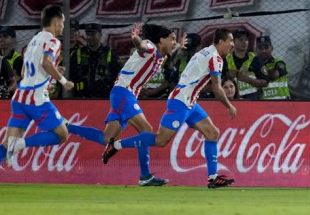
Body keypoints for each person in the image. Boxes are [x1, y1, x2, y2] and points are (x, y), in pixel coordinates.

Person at [103, 28, 237, 189]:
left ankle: (213, 179)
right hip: (180, 101)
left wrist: (177, 47)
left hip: (190, 101)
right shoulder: (215, 58)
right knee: (161, 140)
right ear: (221, 42)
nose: (233, 44)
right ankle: (116, 145)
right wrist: (229, 106)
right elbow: (217, 88)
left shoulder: (204, 52)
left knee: (212, 133)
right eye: (231, 41)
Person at [0, 4, 75, 199]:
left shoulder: (34, 40)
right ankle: (20, 145)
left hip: (19, 97)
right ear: (55, 22)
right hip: (35, 99)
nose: (63, 27)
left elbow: (24, 72)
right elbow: (45, 63)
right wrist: (63, 81)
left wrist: (50, 75)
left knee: (6, 143)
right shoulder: (53, 41)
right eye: (62, 23)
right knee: (62, 135)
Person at [68, 23, 177, 186]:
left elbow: (164, 51)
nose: (174, 42)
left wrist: (179, 46)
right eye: (172, 39)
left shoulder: (160, 54)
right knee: (146, 130)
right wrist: (135, 39)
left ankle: (66, 126)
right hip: (124, 93)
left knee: (106, 139)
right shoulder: (151, 48)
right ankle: (145, 176)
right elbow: (141, 46)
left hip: (122, 94)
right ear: (161, 40)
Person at [69, 22, 119, 98]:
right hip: (81, 97)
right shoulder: (78, 53)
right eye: (88, 34)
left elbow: (117, 77)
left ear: (100, 35)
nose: (89, 37)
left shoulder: (110, 54)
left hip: (104, 98)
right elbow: (71, 78)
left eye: (93, 34)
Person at [254, 35, 290, 100]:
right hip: (265, 105)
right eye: (260, 48)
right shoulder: (254, 65)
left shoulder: (279, 62)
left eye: (266, 47)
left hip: (283, 102)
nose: (263, 50)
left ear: (272, 48)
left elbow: (274, 74)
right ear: (256, 50)